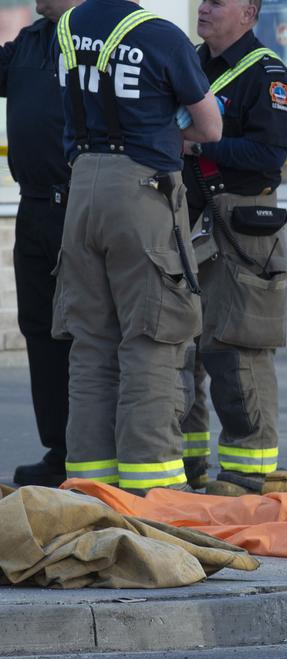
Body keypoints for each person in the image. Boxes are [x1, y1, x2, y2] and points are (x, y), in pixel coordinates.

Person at [52, 0, 222, 494]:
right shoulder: (160, 35)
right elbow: (210, 128)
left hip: (82, 189)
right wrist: (169, 129)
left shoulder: (67, 27)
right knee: (152, 336)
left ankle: (89, 486)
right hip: (142, 191)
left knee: (91, 344)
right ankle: (153, 487)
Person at [180, 0, 287, 492]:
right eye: (202, 1)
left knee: (236, 349)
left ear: (249, 13)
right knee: (181, 350)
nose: (203, 8)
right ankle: (186, 465)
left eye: (217, 2)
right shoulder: (188, 63)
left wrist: (197, 145)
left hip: (240, 225)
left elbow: (269, 154)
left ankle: (247, 473)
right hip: (184, 219)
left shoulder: (267, 76)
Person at [0, 0, 83, 487]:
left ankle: (92, 451)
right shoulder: (30, 41)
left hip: (83, 206)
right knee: (40, 329)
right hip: (34, 207)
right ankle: (61, 450)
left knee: (86, 331)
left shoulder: (101, 35)